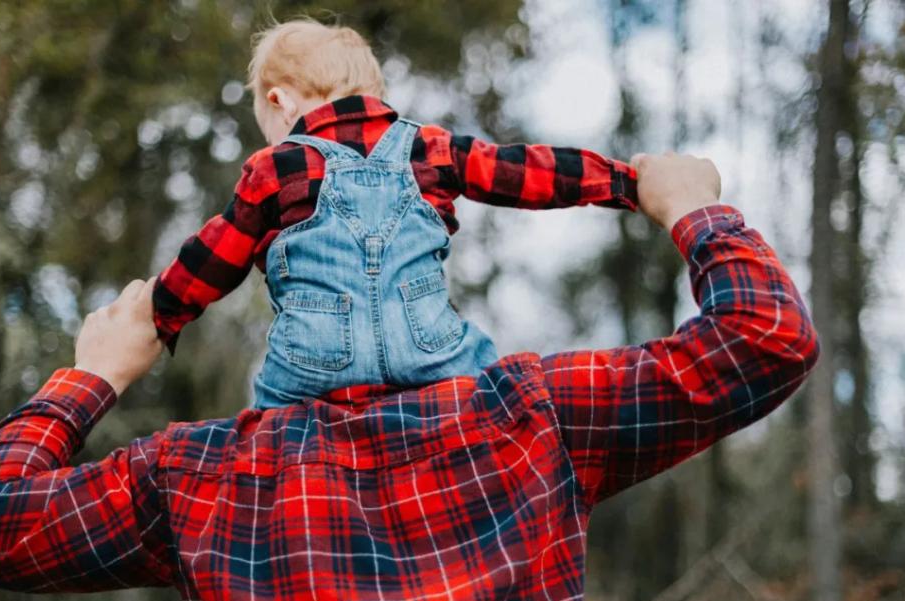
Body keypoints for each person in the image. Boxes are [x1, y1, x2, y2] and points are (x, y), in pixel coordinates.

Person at [0, 152, 819, 601]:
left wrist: (92, 376)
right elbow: (766, 339)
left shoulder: (201, 477)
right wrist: (684, 206)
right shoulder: (534, 416)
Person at [152, 19, 640, 408]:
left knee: (261, 439)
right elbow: (524, 172)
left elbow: (213, 257)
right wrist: (619, 181)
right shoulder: (428, 150)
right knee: (503, 397)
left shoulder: (274, 168)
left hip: (309, 371)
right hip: (435, 358)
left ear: (280, 102)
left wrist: (161, 312)